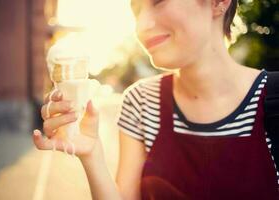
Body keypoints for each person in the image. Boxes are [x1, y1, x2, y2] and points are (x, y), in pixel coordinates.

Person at [32, 0, 279, 199]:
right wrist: (91, 154)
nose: (141, 26)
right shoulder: (140, 101)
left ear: (218, 2)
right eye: (136, 10)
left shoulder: (274, 97)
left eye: (158, 2)